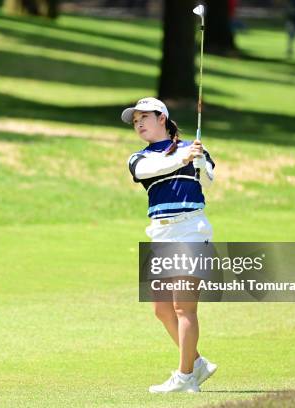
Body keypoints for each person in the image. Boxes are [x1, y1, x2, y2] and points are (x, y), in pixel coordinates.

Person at [122, 97, 218, 393]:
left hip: (190, 229)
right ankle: (197, 363)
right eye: (135, 120)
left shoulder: (193, 147)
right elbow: (151, 170)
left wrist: (200, 160)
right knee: (161, 309)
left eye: (143, 118)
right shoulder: (139, 158)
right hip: (160, 235)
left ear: (161, 118)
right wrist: (184, 157)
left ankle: (186, 377)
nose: (138, 124)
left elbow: (210, 178)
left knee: (183, 308)